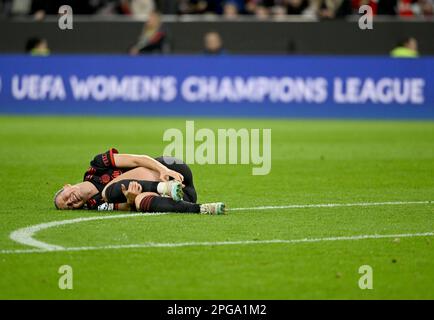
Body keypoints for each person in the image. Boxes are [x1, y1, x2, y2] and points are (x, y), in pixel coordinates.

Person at [53, 148, 226, 215]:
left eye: (66, 197)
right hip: (185, 196)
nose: (71, 201)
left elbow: (138, 160)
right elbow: (127, 207)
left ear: (67, 186)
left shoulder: (97, 167)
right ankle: (202, 209)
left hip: (170, 168)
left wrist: (163, 170)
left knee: (107, 191)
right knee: (139, 201)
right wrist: (130, 198)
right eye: (69, 206)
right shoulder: (95, 204)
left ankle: (164, 186)